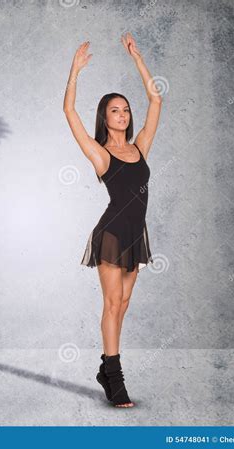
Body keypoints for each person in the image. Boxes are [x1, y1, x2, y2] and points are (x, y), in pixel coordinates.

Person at [63, 33, 162, 408]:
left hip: (136, 235)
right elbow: (69, 114)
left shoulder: (140, 146)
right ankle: (115, 379)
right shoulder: (101, 154)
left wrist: (137, 58)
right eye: (115, 111)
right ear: (105, 117)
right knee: (112, 302)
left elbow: (156, 99)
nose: (122, 114)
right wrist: (74, 72)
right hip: (111, 235)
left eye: (125, 110)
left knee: (123, 306)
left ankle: (106, 368)